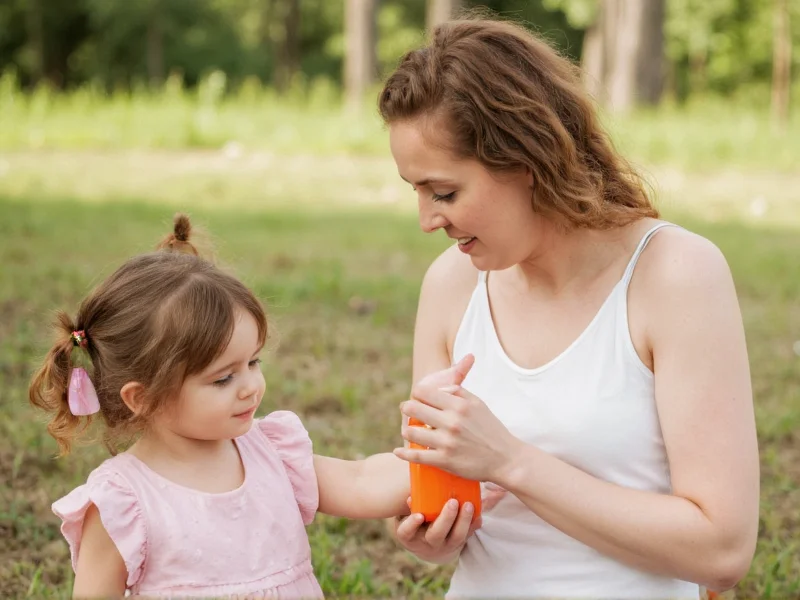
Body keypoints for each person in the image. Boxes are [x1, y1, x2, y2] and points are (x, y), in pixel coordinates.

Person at [379, 16, 760, 600]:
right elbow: (434, 489)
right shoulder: (450, 287)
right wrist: (433, 532)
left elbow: (723, 550)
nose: (428, 220)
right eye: (418, 192)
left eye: (445, 192)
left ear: (525, 160)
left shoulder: (676, 275)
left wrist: (511, 463)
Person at [29, 214, 469, 598]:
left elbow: (360, 480)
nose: (251, 387)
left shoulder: (270, 453)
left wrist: (455, 463)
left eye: (253, 362)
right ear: (142, 397)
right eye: (223, 378)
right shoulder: (122, 503)